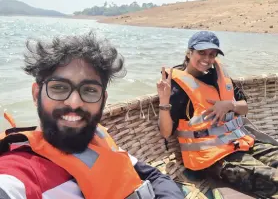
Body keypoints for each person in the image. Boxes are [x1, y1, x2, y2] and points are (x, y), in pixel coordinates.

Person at [0, 32, 185, 199]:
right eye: (58, 88)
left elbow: (152, 175)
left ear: (103, 100)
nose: (74, 102)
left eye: (89, 90)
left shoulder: (99, 136)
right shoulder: (19, 174)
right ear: (35, 95)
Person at [157, 30, 278, 198]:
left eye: (212, 54)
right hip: (214, 158)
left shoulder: (219, 77)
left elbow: (244, 107)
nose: (207, 59)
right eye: (202, 53)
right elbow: (166, 132)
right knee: (274, 180)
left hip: (242, 143)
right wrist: (164, 101)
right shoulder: (177, 88)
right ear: (189, 52)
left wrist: (230, 105)